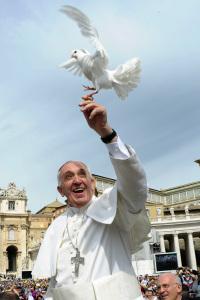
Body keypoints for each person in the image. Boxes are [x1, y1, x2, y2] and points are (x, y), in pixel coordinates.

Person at [32, 99, 150, 300]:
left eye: (81, 174)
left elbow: (135, 185)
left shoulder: (114, 206)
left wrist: (106, 133)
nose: (77, 180)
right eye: (69, 177)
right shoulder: (56, 227)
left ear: (92, 182)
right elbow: (55, 285)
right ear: (61, 190)